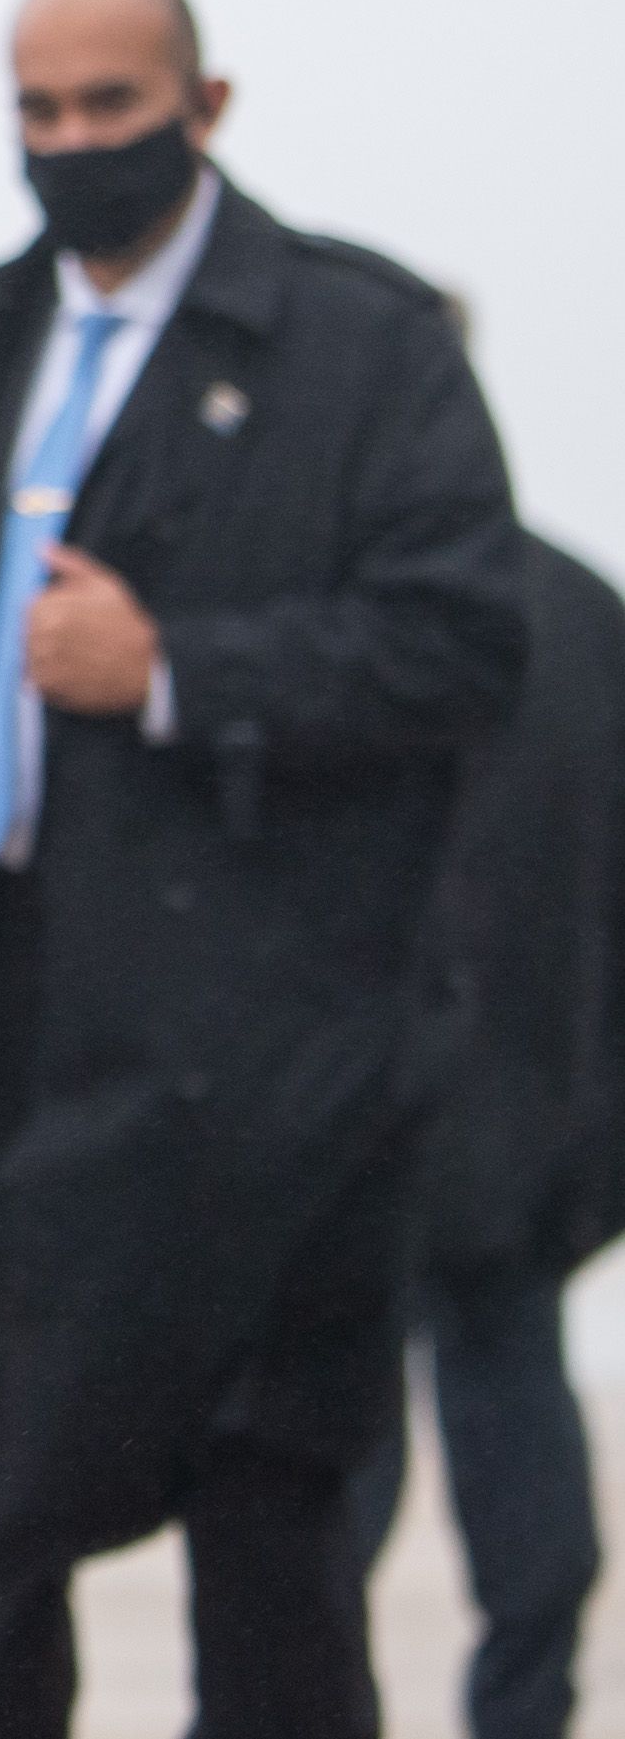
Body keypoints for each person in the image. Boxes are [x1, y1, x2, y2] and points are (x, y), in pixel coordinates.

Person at [0, 0, 525, 1739]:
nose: (70, 142)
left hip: (236, 1071)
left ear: (201, 106)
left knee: (267, 1572)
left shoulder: (359, 348)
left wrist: (175, 670)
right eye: (36, 111)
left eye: (106, 107)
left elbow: (467, 641)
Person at [337, 520, 625, 1739]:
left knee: (333, 1485)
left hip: (404, 1117)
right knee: (483, 1456)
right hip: (511, 1116)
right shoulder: (574, 604)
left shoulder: (339, 586)